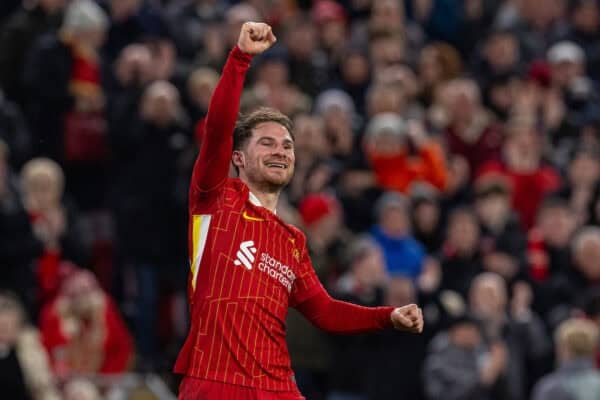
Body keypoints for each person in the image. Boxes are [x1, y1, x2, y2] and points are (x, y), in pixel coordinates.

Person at [174, 22, 424, 399]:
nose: (281, 151)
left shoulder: (292, 240)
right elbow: (217, 131)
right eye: (268, 143)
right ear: (238, 157)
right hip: (217, 383)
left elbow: (324, 311)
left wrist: (385, 316)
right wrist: (240, 58)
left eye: (288, 146)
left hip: (279, 387)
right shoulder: (215, 200)